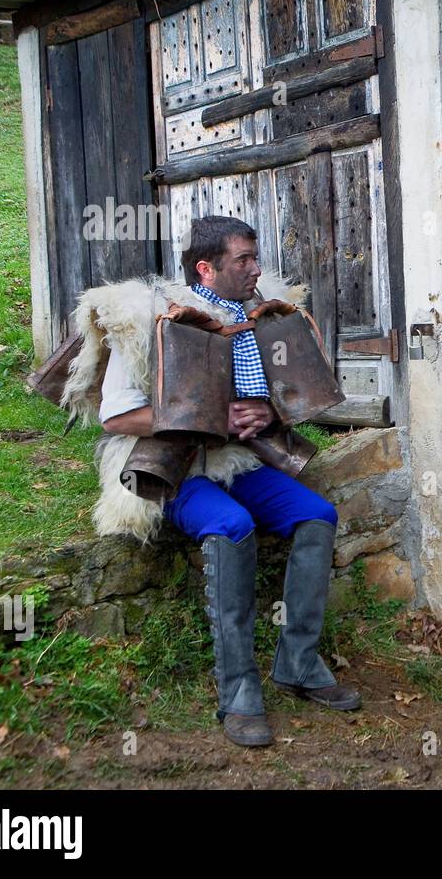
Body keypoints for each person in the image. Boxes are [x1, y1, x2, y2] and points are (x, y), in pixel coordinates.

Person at [63, 215, 360, 748]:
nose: (255, 268)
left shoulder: (260, 319)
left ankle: (299, 662)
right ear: (207, 267)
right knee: (231, 525)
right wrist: (212, 420)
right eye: (243, 259)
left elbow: (278, 401)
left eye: (254, 257)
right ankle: (239, 689)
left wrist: (266, 418)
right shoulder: (154, 322)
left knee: (318, 517)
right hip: (174, 467)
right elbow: (116, 419)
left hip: (240, 462)